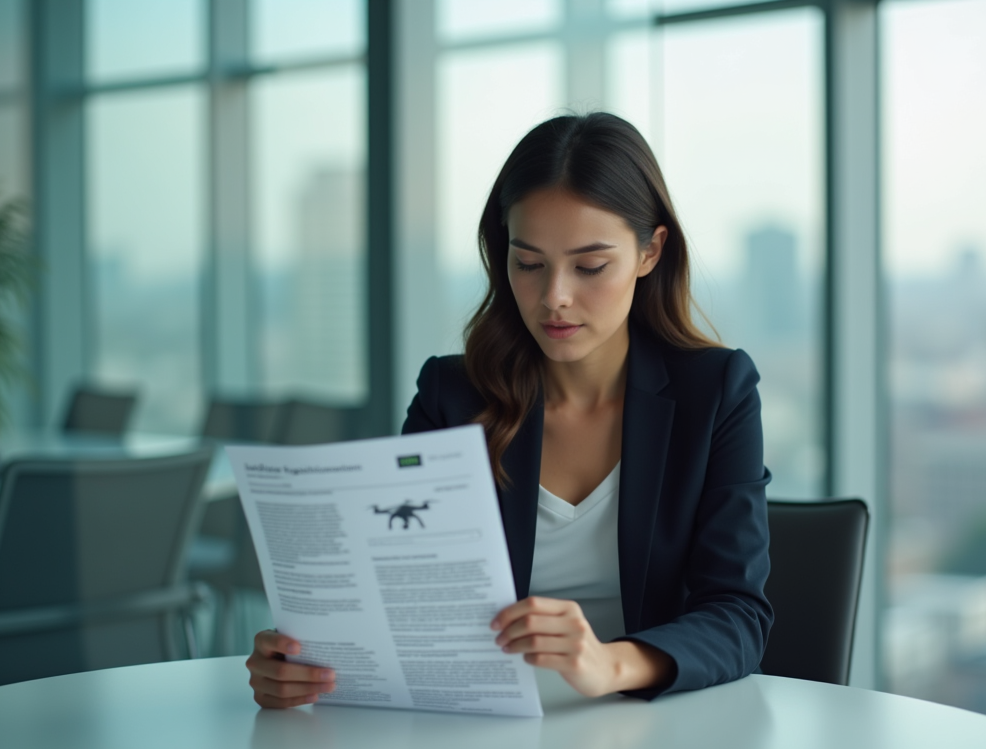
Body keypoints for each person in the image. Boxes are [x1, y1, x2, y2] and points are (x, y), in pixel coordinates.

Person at [246, 111, 773, 707]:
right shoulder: (451, 395)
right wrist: (307, 660)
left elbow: (738, 616)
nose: (555, 298)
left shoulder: (717, 392)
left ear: (650, 252)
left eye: (590, 266)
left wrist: (609, 663)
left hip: (655, 722)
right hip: (483, 724)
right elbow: (397, 595)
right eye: (528, 263)